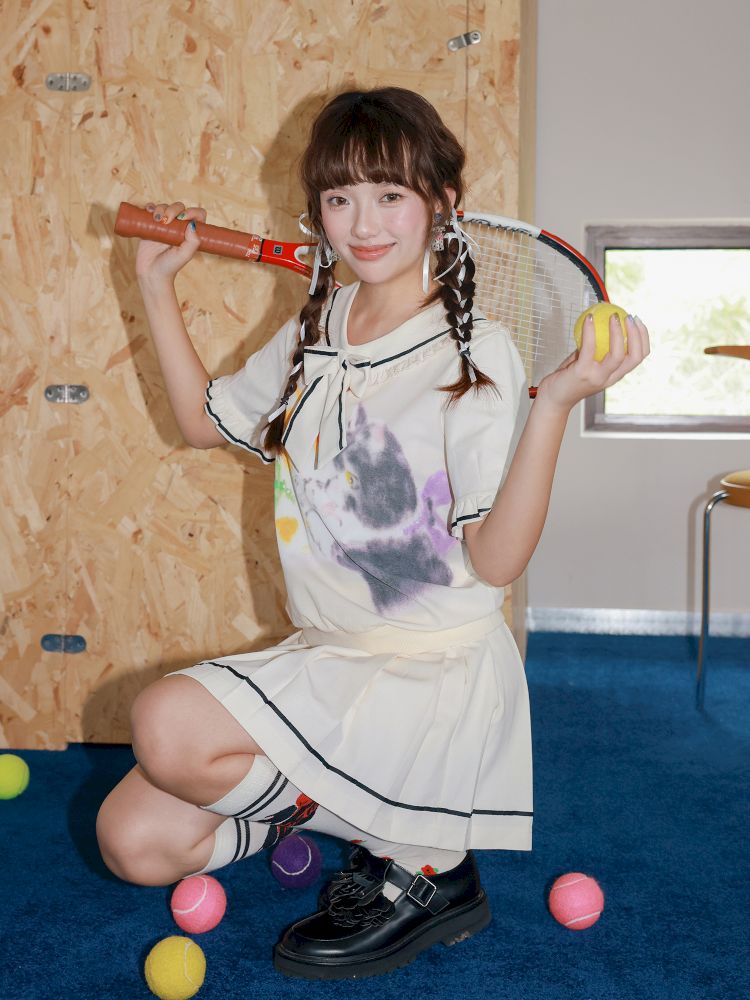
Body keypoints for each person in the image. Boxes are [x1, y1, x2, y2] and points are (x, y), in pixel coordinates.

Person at [96, 87, 649, 979]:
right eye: (339, 197)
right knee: (134, 841)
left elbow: (497, 560)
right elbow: (203, 421)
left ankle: (428, 867)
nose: (363, 223)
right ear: (316, 211)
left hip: (426, 674)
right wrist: (156, 284)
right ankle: (352, 816)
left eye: (390, 194)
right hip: (330, 657)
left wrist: (553, 407)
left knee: (166, 724)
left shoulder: (476, 354)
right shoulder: (317, 325)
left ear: (443, 203)